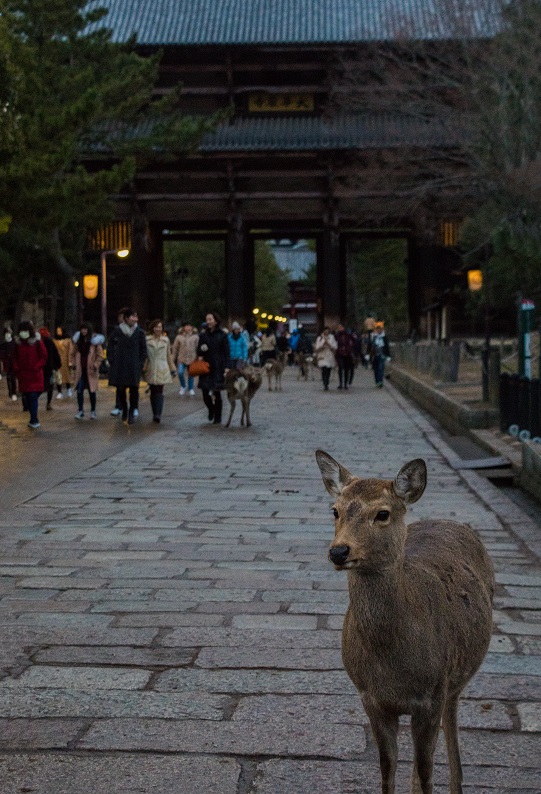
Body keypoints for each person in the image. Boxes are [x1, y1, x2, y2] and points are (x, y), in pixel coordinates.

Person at [107, 307, 147, 424]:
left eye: (136, 316)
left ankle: (132, 410)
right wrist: (112, 360)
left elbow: (143, 349)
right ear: (126, 318)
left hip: (134, 365)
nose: (135, 319)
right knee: (121, 389)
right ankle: (124, 408)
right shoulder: (117, 331)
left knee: (134, 389)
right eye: (132, 316)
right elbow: (110, 346)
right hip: (120, 365)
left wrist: (140, 363)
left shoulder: (139, 332)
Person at [12, 320, 48, 429]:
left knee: (32, 396)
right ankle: (33, 418)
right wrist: (17, 368)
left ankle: (34, 419)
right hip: (23, 375)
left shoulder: (37, 342)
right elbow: (14, 357)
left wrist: (36, 367)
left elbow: (43, 356)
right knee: (28, 397)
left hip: (35, 374)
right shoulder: (18, 343)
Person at [196, 311, 230, 425]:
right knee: (205, 393)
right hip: (206, 367)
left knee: (217, 392)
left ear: (215, 320)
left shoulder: (222, 335)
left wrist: (227, 367)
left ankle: (218, 417)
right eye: (207, 320)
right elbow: (198, 350)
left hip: (218, 366)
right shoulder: (203, 335)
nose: (208, 322)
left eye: (210, 319)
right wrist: (202, 349)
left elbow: (226, 352)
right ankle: (211, 409)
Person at [144, 318, 175, 423]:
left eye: (160, 327)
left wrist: (172, 369)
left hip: (162, 367)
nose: (158, 329)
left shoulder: (165, 340)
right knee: (153, 390)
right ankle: (154, 412)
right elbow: (145, 355)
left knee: (159, 390)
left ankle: (158, 414)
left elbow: (168, 356)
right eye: (156, 327)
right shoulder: (147, 340)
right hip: (151, 366)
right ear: (152, 328)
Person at [71, 322, 105, 419]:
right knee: (79, 390)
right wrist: (73, 364)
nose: (84, 331)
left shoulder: (94, 342)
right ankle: (80, 410)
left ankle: (93, 411)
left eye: (85, 329)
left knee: (92, 391)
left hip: (90, 370)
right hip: (80, 370)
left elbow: (100, 355)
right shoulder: (78, 342)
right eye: (82, 329)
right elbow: (72, 354)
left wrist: (95, 365)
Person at [172, 321, 198, 396]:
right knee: (180, 373)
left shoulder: (195, 337)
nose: (188, 328)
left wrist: (198, 357)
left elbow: (197, 347)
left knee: (191, 374)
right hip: (181, 359)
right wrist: (173, 359)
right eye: (186, 326)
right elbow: (175, 348)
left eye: (189, 326)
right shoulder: (179, 337)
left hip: (192, 358)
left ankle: (190, 388)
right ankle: (183, 386)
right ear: (183, 328)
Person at [38, 327, 61, 410]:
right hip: (49, 368)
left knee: (41, 385)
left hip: (40, 368)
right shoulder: (50, 342)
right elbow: (56, 354)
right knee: (49, 386)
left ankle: (34, 401)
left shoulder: (38, 343)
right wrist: (57, 365)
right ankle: (48, 403)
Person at [367, 320, 391, 387]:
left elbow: (387, 346)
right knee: (376, 369)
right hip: (375, 355)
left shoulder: (384, 337)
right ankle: (377, 381)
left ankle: (380, 381)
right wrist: (367, 354)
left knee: (381, 368)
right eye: (378, 328)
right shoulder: (373, 337)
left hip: (382, 355)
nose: (379, 330)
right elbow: (370, 345)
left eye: (380, 328)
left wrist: (388, 355)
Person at [314, 326, 337, 391]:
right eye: (325, 330)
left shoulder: (331, 337)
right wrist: (322, 345)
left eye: (327, 330)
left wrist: (329, 345)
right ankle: (325, 383)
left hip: (329, 356)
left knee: (328, 370)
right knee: (324, 369)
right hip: (322, 356)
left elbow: (335, 347)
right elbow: (317, 348)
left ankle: (327, 381)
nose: (326, 332)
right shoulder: (320, 338)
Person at [53, 327, 73, 399]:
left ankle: (69, 389)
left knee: (67, 376)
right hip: (57, 361)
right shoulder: (54, 341)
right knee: (58, 377)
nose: (58, 332)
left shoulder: (68, 340)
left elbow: (70, 351)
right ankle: (59, 392)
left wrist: (70, 361)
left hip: (65, 360)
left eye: (60, 331)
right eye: (57, 331)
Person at [335, 323, 355, 390]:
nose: (340, 329)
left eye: (341, 327)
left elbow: (354, 341)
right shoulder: (337, 336)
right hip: (340, 353)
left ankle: (345, 383)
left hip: (347, 353)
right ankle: (340, 383)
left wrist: (350, 348)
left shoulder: (348, 335)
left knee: (347, 369)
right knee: (340, 368)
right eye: (338, 328)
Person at [0, 327, 18, 400]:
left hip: (13, 364)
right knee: (9, 378)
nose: (8, 334)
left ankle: (13, 393)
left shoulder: (14, 344)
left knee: (13, 378)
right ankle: (11, 392)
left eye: (9, 333)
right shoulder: (3, 345)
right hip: (7, 364)